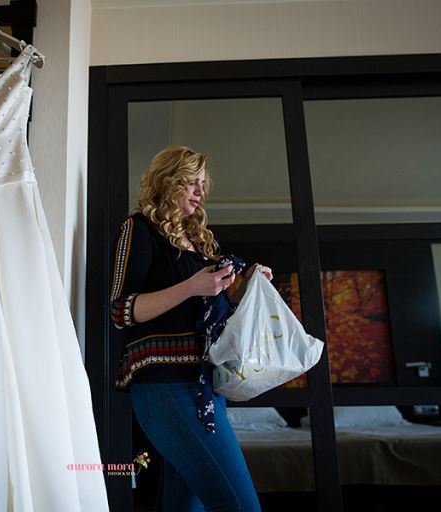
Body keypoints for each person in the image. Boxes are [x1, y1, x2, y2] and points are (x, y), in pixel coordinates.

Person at [110, 145, 272, 512]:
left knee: (185, 508)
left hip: (206, 387)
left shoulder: (198, 242)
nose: (201, 191)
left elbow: (212, 307)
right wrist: (192, 286)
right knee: (240, 506)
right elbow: (121, 310)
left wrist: (246, 284)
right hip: (165, 386)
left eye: (202, 183)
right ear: (168, 183)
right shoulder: (138, 229)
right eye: (191, 183)